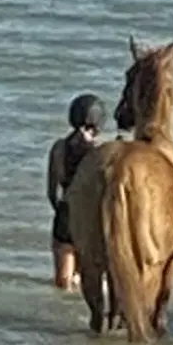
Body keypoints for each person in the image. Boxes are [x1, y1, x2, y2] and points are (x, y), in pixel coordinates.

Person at [45, 93, 107, 291]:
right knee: (94, 282)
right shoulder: (101, 151)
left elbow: (51, 192)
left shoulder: (59, 148)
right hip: (92, 220)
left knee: (63, 283)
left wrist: (61, 210)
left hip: (66, 215)